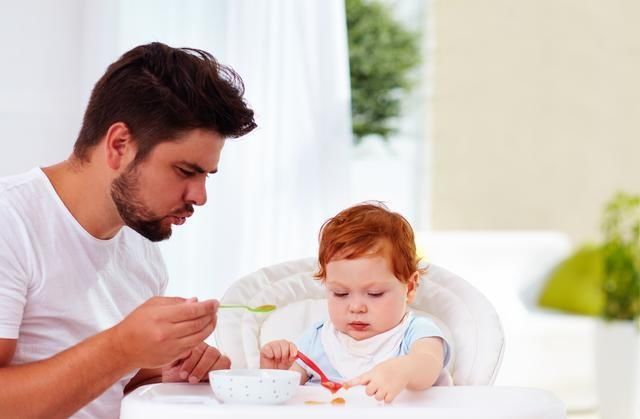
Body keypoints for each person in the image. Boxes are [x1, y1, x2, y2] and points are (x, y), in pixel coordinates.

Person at [0, 42, 256, 418]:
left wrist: (165, 372)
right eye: (186, 171)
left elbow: (111, 387)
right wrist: (123, 347)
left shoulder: (142, 249)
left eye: (206, 175)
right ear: (119, 145)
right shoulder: (11, 222)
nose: (200, 196)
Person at [259, 202, 451, 403]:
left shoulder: (416, 333)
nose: (356, 307)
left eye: (375, 293)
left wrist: (404, 369)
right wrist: (276, 375)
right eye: (340, 293)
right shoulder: (315, 341)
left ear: (409, 288)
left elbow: (428, 363)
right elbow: (284, 401)